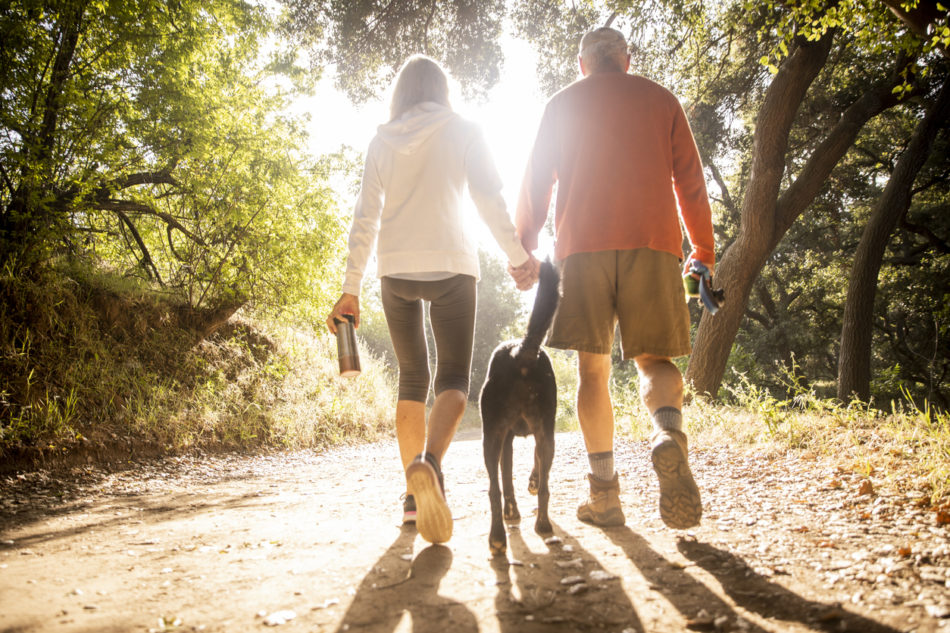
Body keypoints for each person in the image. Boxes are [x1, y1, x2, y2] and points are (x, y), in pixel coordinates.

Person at [326, 55, 537, 545]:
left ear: (400, 92)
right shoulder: (464, 129)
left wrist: (350, 287)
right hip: (451, 267)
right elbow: (488, 200)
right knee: (455, 381)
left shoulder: (382, 140)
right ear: (444, 89)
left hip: (395, 270)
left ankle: (412, 499)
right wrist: (518, 257)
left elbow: (365, 218)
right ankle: (431, 464)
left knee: (411, 378)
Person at [512, 27, 716, 530]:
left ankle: (605, 495)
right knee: (655, 359)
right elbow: (690, 179)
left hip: (582, 246)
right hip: (653, 240)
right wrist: (702, 249)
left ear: (583, 64)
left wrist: (524, 248)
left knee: (593, 371)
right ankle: (668, 433)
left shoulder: (562, 103)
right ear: (626, 60)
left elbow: (536, 180)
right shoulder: (662, 99)